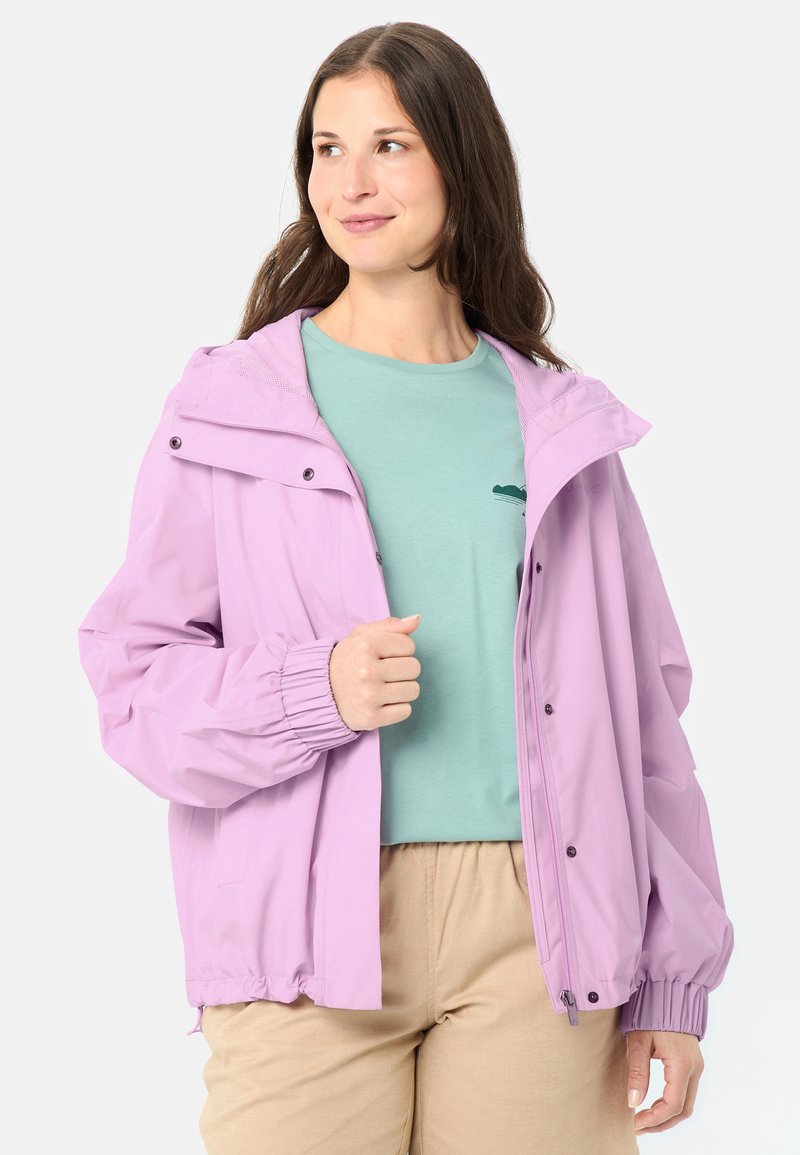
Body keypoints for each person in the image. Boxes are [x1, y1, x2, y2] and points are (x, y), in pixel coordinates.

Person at [76, 21, 735, 1155]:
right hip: (300, 925)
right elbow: (134, 687)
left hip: (542, 927)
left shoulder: (560, 427)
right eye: (326, 149)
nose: (352, 182)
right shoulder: (231, 409)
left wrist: (672, 978)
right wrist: (311, 692)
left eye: (390, 145)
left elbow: (643, 719)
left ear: (460, 163)